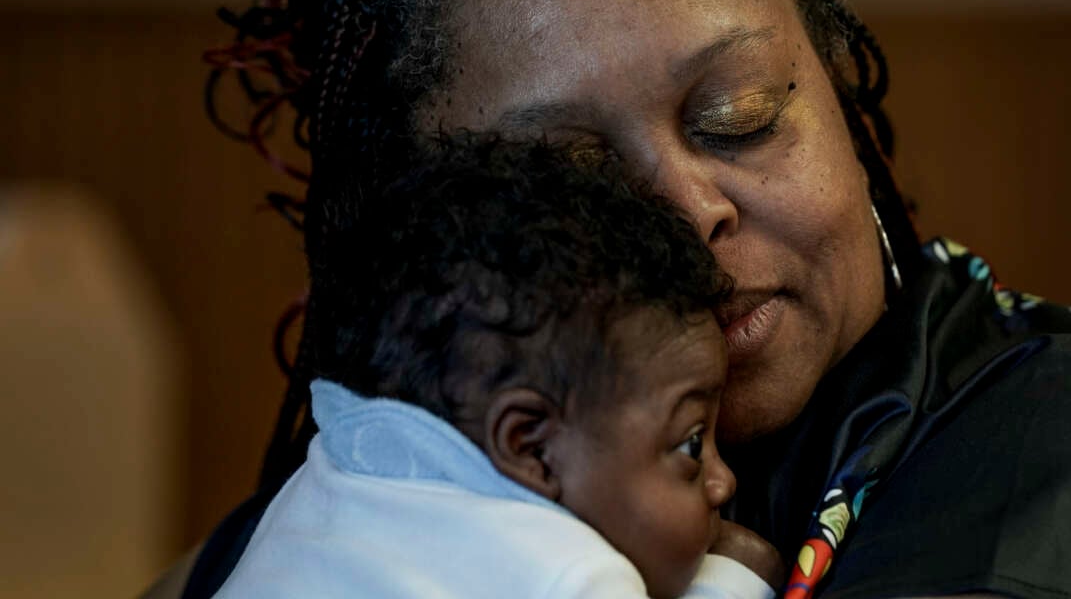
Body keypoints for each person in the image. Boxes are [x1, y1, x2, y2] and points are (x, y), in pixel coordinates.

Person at [184, 0, 1071, 597]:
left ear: (839, 84)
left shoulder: (1062, 428)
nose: (684, 212)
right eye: (575, 184)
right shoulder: (368, 501)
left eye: (738, 114)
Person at [213, 137, 781, 599]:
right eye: (688, 445)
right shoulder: (564, 575)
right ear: (530, 446)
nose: (722, 481)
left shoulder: (317, 491)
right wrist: (734, 579)